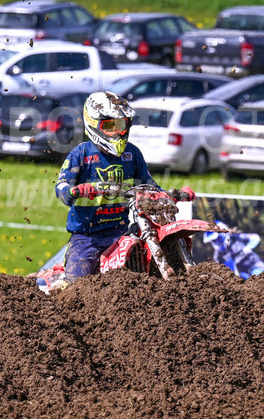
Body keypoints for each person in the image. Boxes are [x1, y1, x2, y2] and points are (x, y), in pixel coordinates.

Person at [54, 91, 194, 285]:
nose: (118, 132)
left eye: (122, 125)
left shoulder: (132, 154)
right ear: (94, 124)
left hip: (120, 231)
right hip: (87, 238)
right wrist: (74, 191)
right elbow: (61, 186)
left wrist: (172, 194)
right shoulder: (81, 154)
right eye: (111, 126)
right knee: (75, 281)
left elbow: (148, 184)